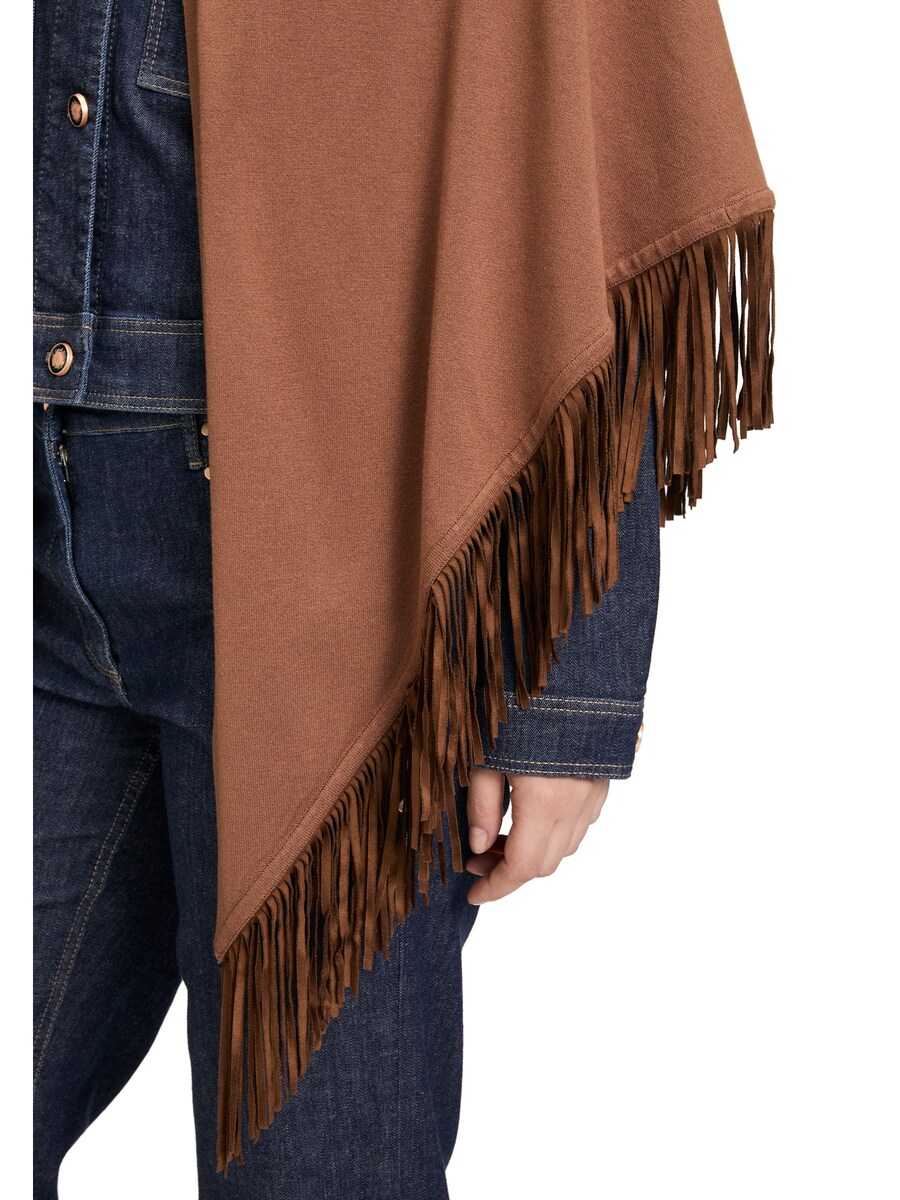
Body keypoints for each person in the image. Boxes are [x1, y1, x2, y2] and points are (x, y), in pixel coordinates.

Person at [33, 1, 660, 1196]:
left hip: (340, 569)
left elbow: (577, 83)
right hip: (38, 507)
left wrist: (567, 660)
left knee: (322, 1172)